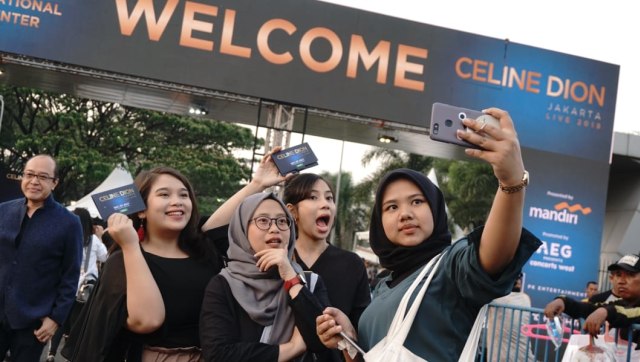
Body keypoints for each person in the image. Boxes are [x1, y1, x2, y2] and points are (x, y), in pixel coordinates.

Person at [316, 107, 542, 361]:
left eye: (417, 202)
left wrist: (511, 182)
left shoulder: (451, 267)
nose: (405, 214)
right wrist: (349, 340)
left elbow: (492, 257)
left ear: (435, 209)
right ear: (379, 222)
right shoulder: (383, 285)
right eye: (392, 207)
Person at [62, 166, 225, 361]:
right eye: (164, 194)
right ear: (141, 211)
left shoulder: (204, 250)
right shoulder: (123, 259)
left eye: (184, 195)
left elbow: (225, 219)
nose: (177, 202)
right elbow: (148, 321)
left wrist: (258, 183)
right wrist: (130, 246)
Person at [199, 192, 333, 361]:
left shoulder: (310, 282)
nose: (274, 228)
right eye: (263, 220)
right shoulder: (223, 285)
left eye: (282, 221)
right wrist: (292, 348)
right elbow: (219, 354)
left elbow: (322, 341)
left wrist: (290, 277)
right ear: (241, 229)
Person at [0, 154, 83, 361]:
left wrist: (56, 318)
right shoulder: (3, 211)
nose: (34, 181)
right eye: (29, 174)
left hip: (34, 321)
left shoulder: (69, 223)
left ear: (54, 183)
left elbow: (70, 275)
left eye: (43, 177)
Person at [283, 173, 371, 335]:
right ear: (292, 211)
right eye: (313, 197)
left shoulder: (352, 264)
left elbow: (363, 330)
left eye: (329, 198)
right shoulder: (280, 261)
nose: (325, 204)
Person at [46, 207, 108, 361]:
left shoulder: (66, 236)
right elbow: (105, 257)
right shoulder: (93, 240)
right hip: (86, 289)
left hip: (66, 286)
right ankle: (71, 355)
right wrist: (100, 237)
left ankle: (51, 353)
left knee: (60, 320)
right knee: (77, 324)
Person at [544, 254, 640, 348]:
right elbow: (591, 307)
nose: (621, 281)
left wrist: (606, 311)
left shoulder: (625, 308)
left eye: (630, 275)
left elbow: (631, 313)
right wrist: (563, 301)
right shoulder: (623, 303)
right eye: (618, 275)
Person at [485, 273, 534, 362]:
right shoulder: (525, 298)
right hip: (519, 357)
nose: (519, 281)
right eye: (517, 278)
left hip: (500, 357)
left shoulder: (497, 298)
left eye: (519, 278)